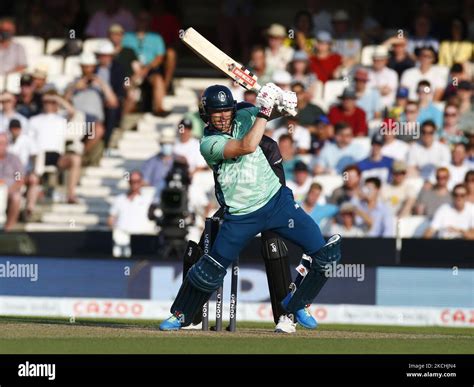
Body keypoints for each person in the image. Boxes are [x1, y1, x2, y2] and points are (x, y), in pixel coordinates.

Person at [159, 84, 341, 332]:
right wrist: (265, 111)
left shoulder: (244, 115)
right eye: (216, 112)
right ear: (206, 115)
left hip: (278, 203)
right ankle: (181, 314)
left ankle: (298, 302)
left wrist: (284, 104)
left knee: (325, 254)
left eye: (226, 111)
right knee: (210, 269)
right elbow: (247, 145)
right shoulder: (208, 143)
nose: (223, 117)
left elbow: (270, 114)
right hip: (241, 216)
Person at [28, 91, 82, 204]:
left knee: (75, 159)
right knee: (36, 165)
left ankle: (71, 195)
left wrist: (57, 98)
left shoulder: (61, 119)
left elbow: (73, 112)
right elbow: (29, 141)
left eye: (52, 102)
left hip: (56, 156)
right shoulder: (34, 120)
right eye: (47, 102)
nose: (49, 104)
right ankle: (31, 205)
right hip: (38, 155)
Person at [122, 11, 168, 116]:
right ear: (135, 21)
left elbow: (160, 57)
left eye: (145, 20)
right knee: (127, 81)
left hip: (150, 68)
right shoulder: (127, 36)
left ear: (149, 22)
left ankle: (159, 108)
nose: (142, 22)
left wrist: (145, 69)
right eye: (140, 20)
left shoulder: (156, 37)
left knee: (158, 79)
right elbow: (122, 53)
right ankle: (128, 110)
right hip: (131, 69)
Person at [7, 119, 39, 221]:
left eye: (16, 129)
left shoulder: (27, 140)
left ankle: (29, 208)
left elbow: (34, 155)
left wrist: (33, 171)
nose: (15, 131)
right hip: (10, 174)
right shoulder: (6, 141)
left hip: (24, 172)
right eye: (13, 129)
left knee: (33, 180)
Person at [0, 133, 24, 231]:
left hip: (9, 189)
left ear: (7, 145)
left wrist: (8, 190)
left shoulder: (14, 159)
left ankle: (8, 228)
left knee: (16, 197)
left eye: (2, 143)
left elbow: (19, 179)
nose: (0, 146)